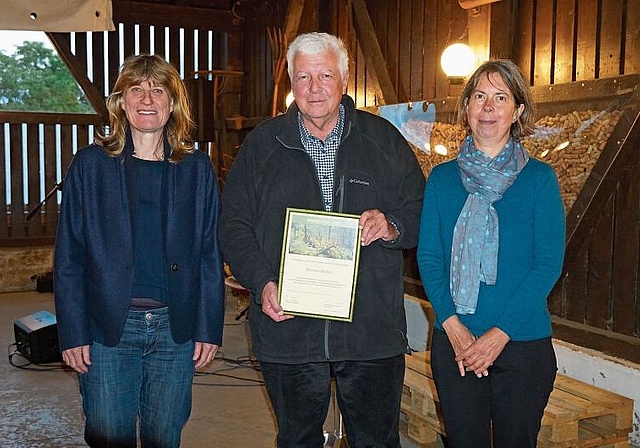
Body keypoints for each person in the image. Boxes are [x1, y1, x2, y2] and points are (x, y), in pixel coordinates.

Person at [219, 32, 424, 447]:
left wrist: (392, 226)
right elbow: (233, 226)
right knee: (297, 440)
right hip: (289, 332)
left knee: (377, 441)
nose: (314, 88)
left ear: (345, 80)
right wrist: (262, 284)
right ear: (292, 83)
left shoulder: (383, 141)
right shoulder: (263, 145)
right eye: (304, 77)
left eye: (325, 75)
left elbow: (423, 210)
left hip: (370, 332)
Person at [53, 54, 225, 448]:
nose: (147, 99)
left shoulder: (197, 168)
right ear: (121, 101)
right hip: (106, 330)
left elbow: (208, 254)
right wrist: (73, 331)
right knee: (110, 437)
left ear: (172, 103)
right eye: (137, 89)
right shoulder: (90, 165)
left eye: (158, 89)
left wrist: (207, 326)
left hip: (174, 331)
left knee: (165, 438)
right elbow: (69, 258)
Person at [416, 59, 565, 447]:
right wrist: (451, 324)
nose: (488, 107)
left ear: (517, 112)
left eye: (501, 97)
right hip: (456, 343)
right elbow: (430, 257)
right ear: (466, 107)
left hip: (522, 343)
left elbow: (547, 264)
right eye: (480, 96)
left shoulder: (540, 180)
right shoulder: (442, 179)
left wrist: (499, 335)